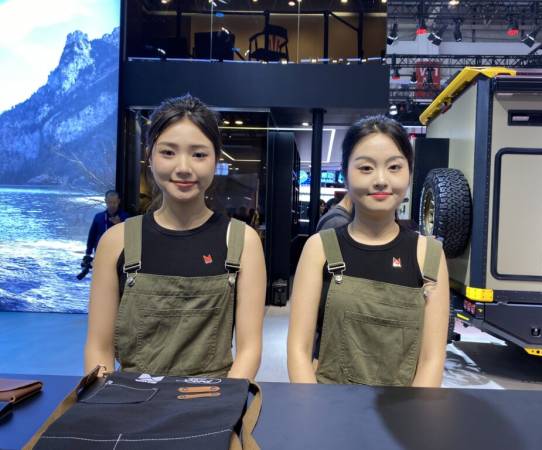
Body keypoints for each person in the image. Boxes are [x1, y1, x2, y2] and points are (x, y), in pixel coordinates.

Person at [84, 95, 266, 379]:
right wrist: (104, 400)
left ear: (216, 159)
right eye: (168, 152)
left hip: (213, 397)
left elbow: (249, 350)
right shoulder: (115, 241)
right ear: (150, 156)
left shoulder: (243, 241)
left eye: (199, 154)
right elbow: (99, 347)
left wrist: (224, 401)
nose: (183, 167)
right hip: (131, 399)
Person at [287, 115, 449, 387]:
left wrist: (415, 412)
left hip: (403, 410)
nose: (381, 180)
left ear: (409, 173)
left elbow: (432, 360)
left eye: (394, 167)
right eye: (366, 168)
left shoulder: (429, 255)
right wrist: (312, 407)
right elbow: (298, 350)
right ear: (345, 173)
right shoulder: (319, 248)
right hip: (327, 404)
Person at [83, 190, 129, 262]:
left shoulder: (126, 217)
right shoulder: (98, 217)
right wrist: (88, 253)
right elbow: (92, 236)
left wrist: (119, 224)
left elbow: (131, 236)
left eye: (114, 202)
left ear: (118, 201)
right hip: (101, 254)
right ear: (105, 201)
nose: (112, 205)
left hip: (119, 255)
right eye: (109, 202)